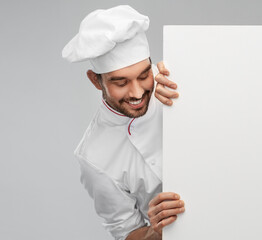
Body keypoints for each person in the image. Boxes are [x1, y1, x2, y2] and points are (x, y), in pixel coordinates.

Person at [62, 5, 184, 240]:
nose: (137, 93)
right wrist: (156, 231)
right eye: (121, 83)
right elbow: (128, 233)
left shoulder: (175, 82)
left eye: (143, 75)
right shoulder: (93, 156)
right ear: (96, 81)